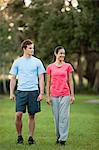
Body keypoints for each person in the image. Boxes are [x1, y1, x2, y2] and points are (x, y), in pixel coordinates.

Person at [9, 39, 45, 145]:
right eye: (30, 48)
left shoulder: (37, 61)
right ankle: (19, 136)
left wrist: (41, 92)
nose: (32, 50)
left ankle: (30, 137)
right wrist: (11, 92)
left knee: (32, 115)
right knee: (18, 114)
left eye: (33, 48)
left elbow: (41, 77)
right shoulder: (18, 62)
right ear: (24, 49)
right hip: (21, 92)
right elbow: (13, 78)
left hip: (34, 91)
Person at [46, 46, 75, 146]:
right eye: (60, 53)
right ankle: (58, 137)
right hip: (54, 94)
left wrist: (72, 95)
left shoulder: (68, 66)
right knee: (56, 118)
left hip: (65, 94)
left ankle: (63, 139)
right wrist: (47, 96)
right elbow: (48, 82)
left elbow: (71, 81)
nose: (62, 55)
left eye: (63, 53)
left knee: (64, 117)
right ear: (56, 54)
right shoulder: (50, 67)